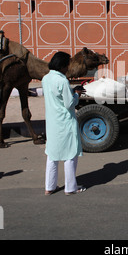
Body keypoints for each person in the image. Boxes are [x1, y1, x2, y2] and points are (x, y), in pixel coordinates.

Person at [42, 51, 86, 196]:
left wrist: (70, 92)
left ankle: (49, 187)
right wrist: (76, 94)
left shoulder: (46, 78)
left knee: (52, 155)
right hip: (65, 121)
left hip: (53, 122)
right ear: (62, 66)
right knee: (70, 154)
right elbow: (69, 103)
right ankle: (71, 187)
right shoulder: (62, 81)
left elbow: (57, 97)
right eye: (67, 64)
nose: (68, 67)